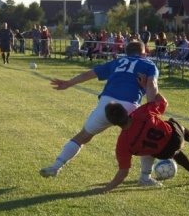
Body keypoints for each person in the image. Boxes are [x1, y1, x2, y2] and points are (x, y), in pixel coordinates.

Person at [39, 41, 161, 187]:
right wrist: (151, 108)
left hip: (107, 104)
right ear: (144, 53)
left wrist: (69, 83)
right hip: (130, 106)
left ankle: (56, 166)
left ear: (126, 53)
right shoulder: (148, 64)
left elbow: (90, 73)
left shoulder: (117, 61)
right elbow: (151, 84)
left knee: (83, 136)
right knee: (145, 138)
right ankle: (145, 177)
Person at [93, 93, 189, 193]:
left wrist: (106, 189)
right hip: (175, 138)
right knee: (172, 121)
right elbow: (163, 102)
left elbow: (123, 171)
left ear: (113, 124)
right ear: (125, 111)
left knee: (155, 150)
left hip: (162, 153)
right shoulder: (141, 112)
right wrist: (148, 85)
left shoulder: (122, 144)